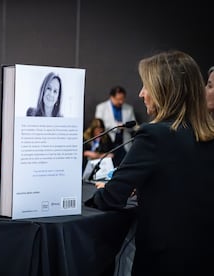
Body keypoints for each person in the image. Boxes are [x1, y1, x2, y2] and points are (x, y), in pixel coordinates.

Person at [86, 50, 214, 275]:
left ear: (165, 91)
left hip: (163, 260)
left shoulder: (154, 135)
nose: (142, 93)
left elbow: (111, 198)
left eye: (146, 86)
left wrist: (95, 195)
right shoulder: (207, 133)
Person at [95, 85, 136, 166]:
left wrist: (125, 126)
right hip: (108, 144)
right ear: (111, 97)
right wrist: (116, 126)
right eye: (118, 99)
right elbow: (98, 126)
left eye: (123, 99)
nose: (121, 102)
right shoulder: (101, 108)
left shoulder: (129, 108)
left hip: (124, 143)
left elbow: (134, 125)